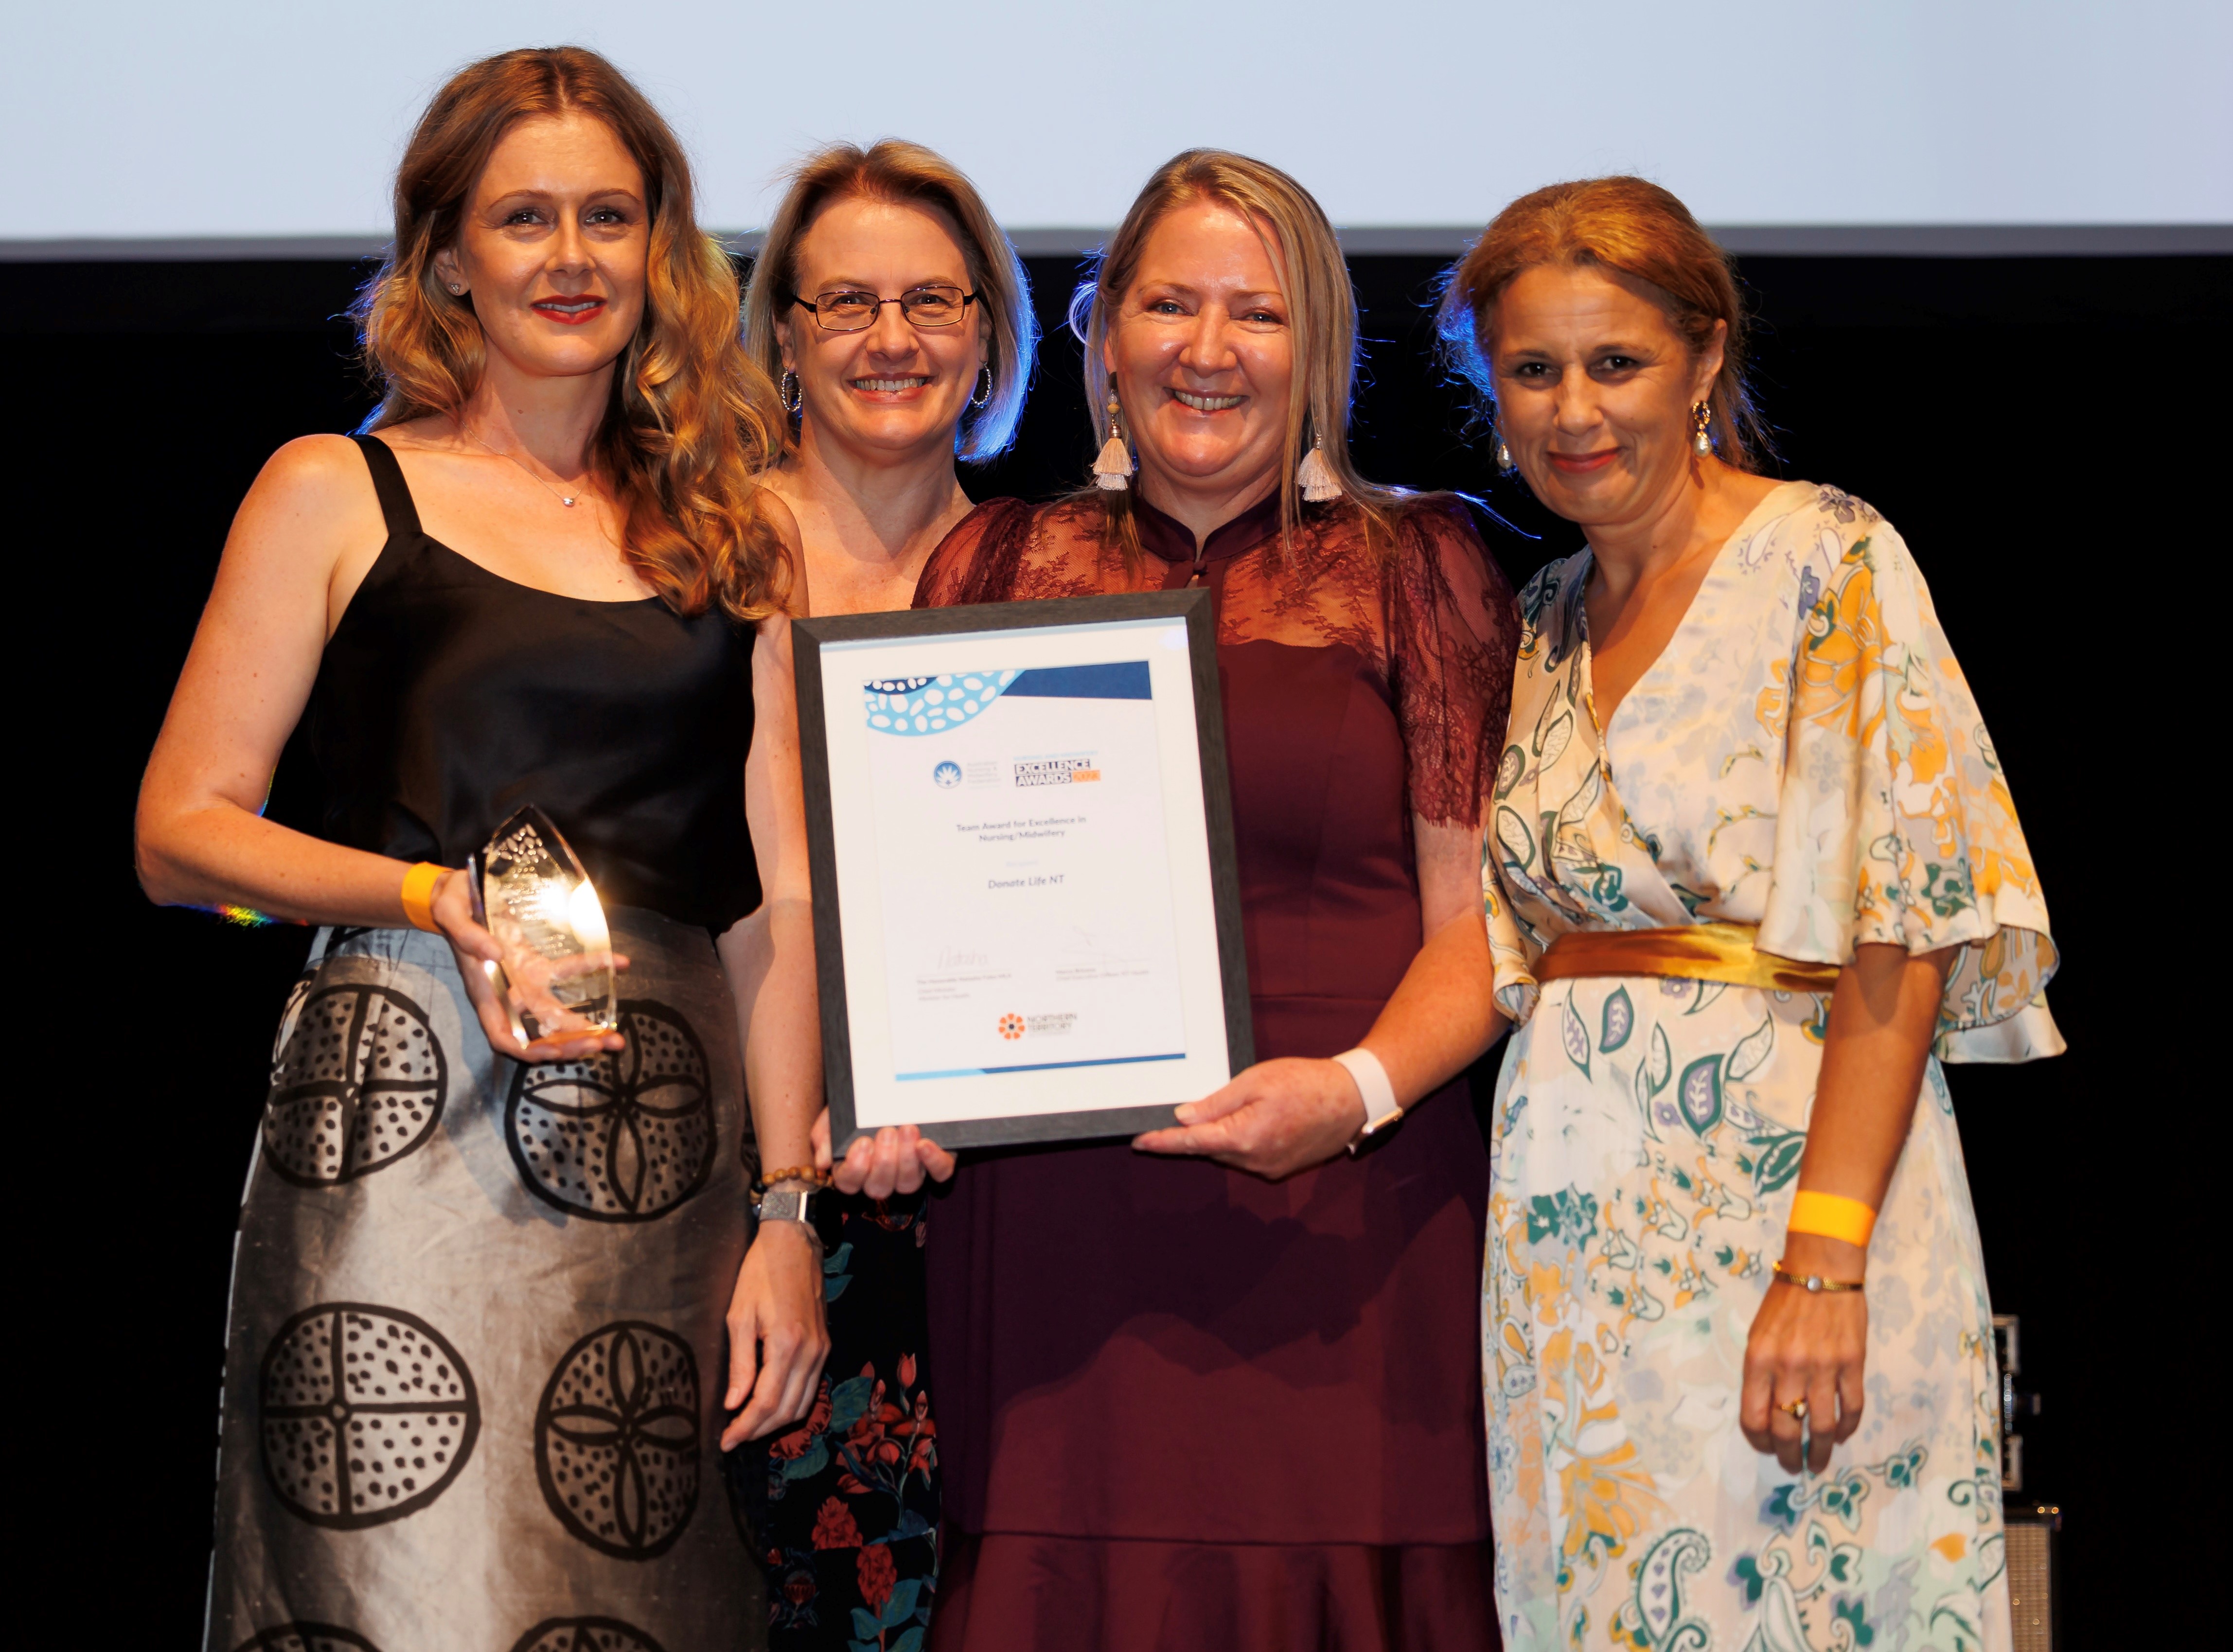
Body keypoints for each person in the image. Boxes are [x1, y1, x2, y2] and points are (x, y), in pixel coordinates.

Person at [136, 48, 827, 1651]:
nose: (571, 257)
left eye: (609, 215)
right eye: (526, 217)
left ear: (660, 251)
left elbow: (764, 915)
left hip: (663, 1166)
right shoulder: (334, 488)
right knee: (393, 1601)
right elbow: (179, 841)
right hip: (398, 1144)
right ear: (447, 251)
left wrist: (788, 1217)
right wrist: (433, 901)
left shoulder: (731, 534)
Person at [840, 148, 1521, 1651]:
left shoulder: (1421, 564)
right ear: (1099, 332)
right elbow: (922, 897)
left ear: (1321, 349)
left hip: (1352, 1228)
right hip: (1061, 1249)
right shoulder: (997, 559)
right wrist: (901, 1087)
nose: (1208, 352)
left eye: (1258, 315)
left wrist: (1352, 1096)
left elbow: (1480, 923)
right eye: (1168, 305)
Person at [1439, 176, 2060, 1650]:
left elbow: (1902, 927)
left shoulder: (1830, 561)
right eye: (1534, 371)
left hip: (1790, 1220)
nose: (1575, 408)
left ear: (1706, 360)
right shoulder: (1534, 618)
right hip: (1573, 1258)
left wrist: (1825, 1259)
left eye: (1616, 362)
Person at [732, 138, 1035, 1649]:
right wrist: (785, 1182)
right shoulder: (688, 565)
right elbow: (747, 897)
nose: (892, 339)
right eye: (844, 301)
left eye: (932, 300)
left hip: (1012, 1204)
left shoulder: (1056, 578)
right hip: (748, 1186)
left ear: (989, 332)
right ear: (780, 333)